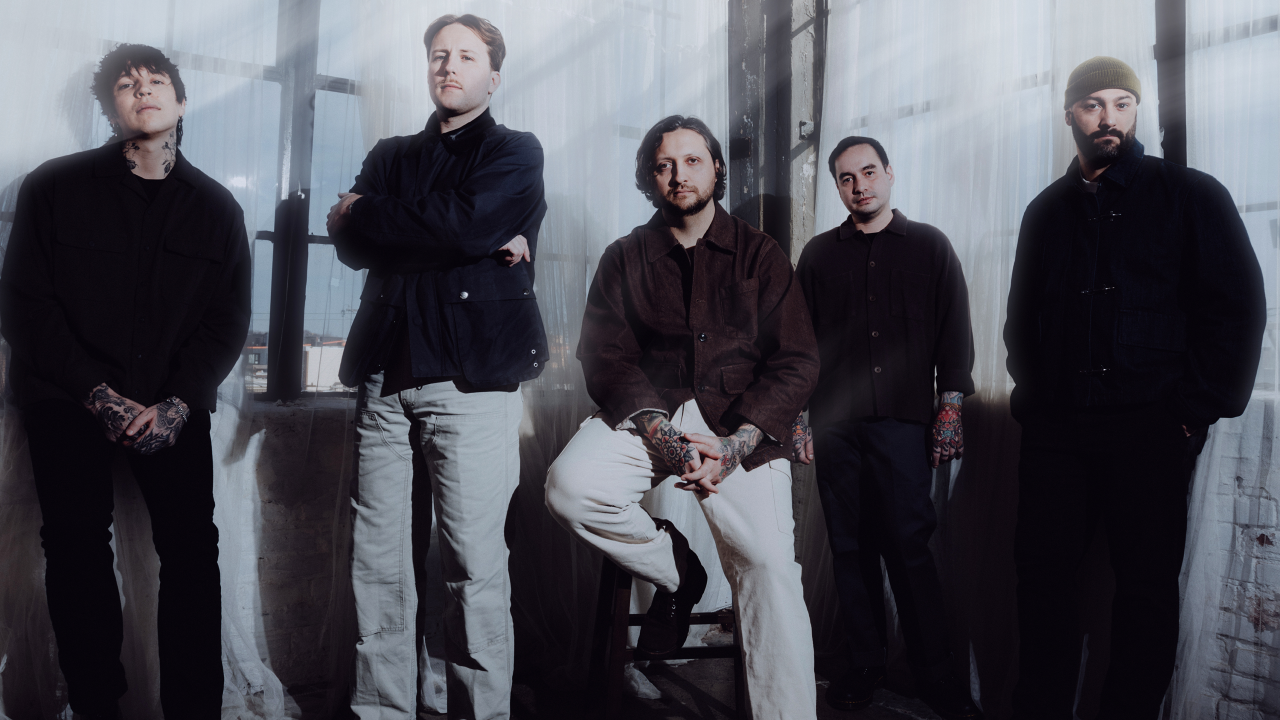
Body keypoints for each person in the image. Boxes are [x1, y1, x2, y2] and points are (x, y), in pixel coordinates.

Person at [1004, 56, 1266, 718]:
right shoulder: (1046, 211)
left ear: (1137, 111)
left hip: (1149, 430)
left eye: (1122, 102)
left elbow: (1237, 310)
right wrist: (1035, 403)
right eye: (1093, 104)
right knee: (1042, 585)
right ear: (1070, 114)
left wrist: (1190, 411)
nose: (1108, 117)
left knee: (1146, 593)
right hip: (1057, 434)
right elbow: (1021, 321)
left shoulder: (1191, 194)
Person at [0, 43, 251, 719]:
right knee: (76, 546)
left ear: (182, 102)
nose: (141, 90)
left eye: (155, 80)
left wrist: (177, 401)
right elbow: (23, 303)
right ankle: (95, 705)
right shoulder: (52, 187)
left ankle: (196, 709)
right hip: (65, 399)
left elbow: (227, 321)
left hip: (172, 404)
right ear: (108, 106)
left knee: (193, 552)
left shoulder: (217, 209)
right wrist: (97, 394)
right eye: (124, 83)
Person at [544, 115, 819, 719]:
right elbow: (605, 355)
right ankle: (677, 569)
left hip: (737, 420)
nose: (679, 174)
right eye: (665, 164)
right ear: (649, 175)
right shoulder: (624, 256)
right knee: (569, 489)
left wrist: (739, 443)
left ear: (717, 168)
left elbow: (797, 360)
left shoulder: (761, 253)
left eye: (693, 161)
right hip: (650, 411)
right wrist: (664, 437)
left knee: (770, 567)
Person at [326, 13, 547, 720]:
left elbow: (467, 222)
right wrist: (454, 230)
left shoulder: (517, 150)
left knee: (473, 570)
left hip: (472, 378)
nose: (449, 66)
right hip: (384, 375)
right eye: (438, 55)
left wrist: (380, 216)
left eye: (467, 56)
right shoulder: (391, 153)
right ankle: (381, 712)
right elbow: (355, 247)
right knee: (378, 567)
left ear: (494, 74)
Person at [795, 137, 981, 718]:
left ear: (890, 174)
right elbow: (798, 347)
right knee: (850, 550)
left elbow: (955, 334)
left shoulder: (930, 246)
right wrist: (799, 419)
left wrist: (948, 407)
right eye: (847, 178)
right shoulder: (819, 256)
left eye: (869, 172)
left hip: (904, 424)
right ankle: (863, 665)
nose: (860, 186)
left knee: (908, 548)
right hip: (835, 428)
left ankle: (935, 675)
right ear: (837, 188)